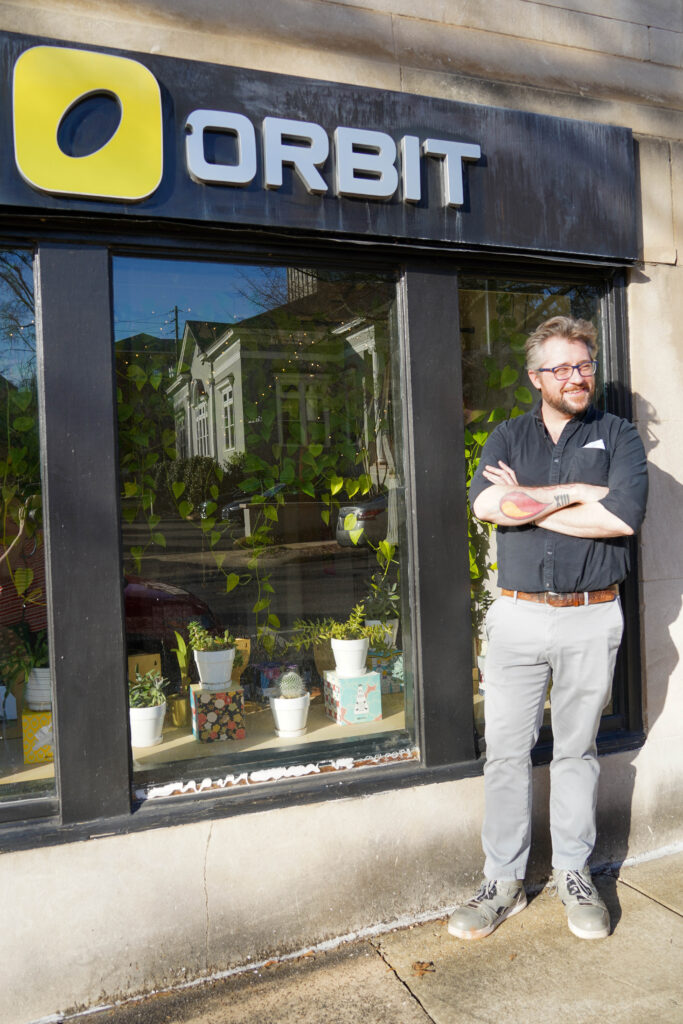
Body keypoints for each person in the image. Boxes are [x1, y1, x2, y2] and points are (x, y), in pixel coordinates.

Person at [449, 315, 648, 942]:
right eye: (562, 367)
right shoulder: (507, 435)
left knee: (576, 752)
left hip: (592, 615)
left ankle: (573, 874)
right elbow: (486, 506)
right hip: (515, 618)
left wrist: (529, 505)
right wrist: (573, 494)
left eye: (584, 364)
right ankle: (502, 882)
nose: (577, 376)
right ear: (537, 377)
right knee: (505, 752)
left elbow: (621, 518)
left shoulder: (619, 435)